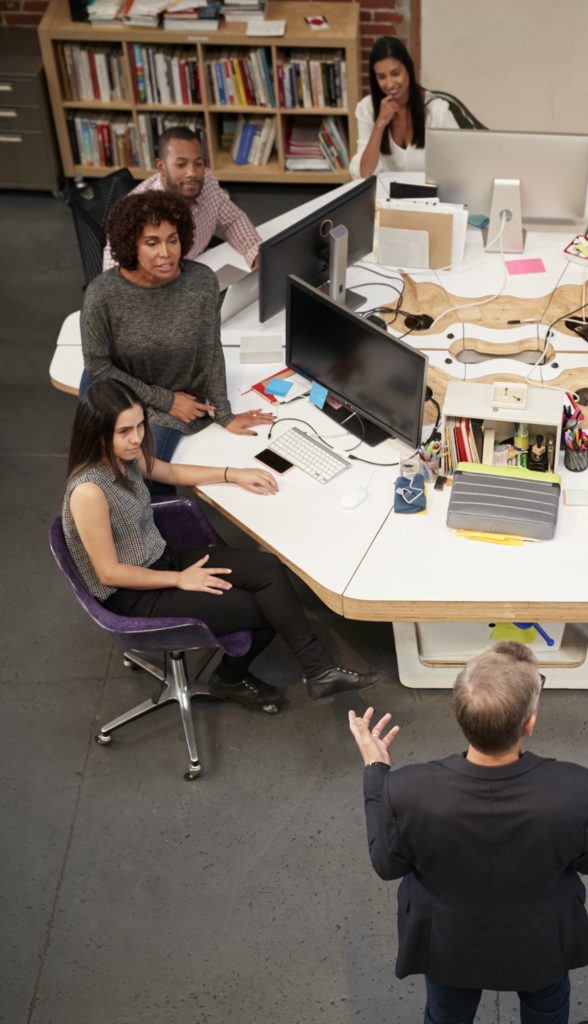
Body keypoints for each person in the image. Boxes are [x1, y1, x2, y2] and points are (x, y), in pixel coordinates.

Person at [348, 641, 588, 1024]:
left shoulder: (407, 789)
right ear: (528, 723)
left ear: (458, 713)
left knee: (447, 1015)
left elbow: (386, 864)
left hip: (449, 945)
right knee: (547, 1012)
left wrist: (374, 770)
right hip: (541, 944)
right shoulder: (575, 789)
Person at [62, 380, 378, 706]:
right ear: (97, 433)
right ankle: (230, 678)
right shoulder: (89, 491)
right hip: (133, 593)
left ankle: (320, 671)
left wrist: (233, 473)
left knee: (269, 570)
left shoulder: (126, 456)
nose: (137, 437)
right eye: (124, 431)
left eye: (140, 425)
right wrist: (181, 580)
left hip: (159, 557)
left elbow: (169, 472)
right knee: (267, 608)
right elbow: (109, 573)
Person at [83, 190, 273, 466]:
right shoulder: (101, 295)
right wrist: (166, 400)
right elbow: (99, 370)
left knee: (152, 470)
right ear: (130, 245)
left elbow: (211, 351)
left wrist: (225, 415)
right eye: (152, 243)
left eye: (172, 240)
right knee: (133, 476)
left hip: (182, 399)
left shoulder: (202, 282)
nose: (166, 253)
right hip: (127, 397)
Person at [101, 126, 262, 271]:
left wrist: (256, 254)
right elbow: (112, 270)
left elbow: (233, 220)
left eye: (198, 163)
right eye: (181, 165)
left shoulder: (208, 184)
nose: (192, 173)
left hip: (196, 270)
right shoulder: (138, 210)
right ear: (161, 168)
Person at [353, 36, 458, 179]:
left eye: (396, 73)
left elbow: (460, 165)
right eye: (382, 77)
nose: (389, 84)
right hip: (385, 198)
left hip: (429, 197)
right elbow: (364, 174)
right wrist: (379, 124)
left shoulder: (437, 110)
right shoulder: (367, 108)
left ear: (408, 69)